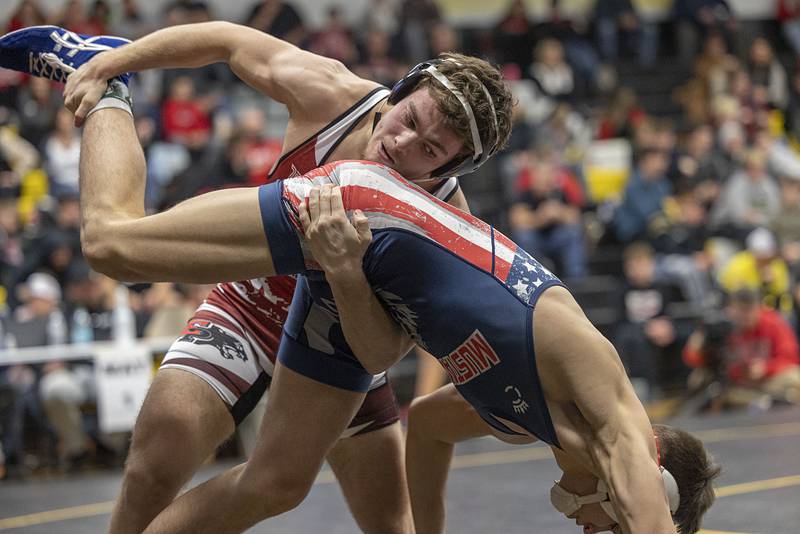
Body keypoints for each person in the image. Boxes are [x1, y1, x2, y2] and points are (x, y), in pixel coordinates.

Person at [0, 23, 512, 534]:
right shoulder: (332, 94)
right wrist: (118, 61)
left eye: (429, 150)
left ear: (452, 168)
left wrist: (346, 272)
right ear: (400, 91)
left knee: (385, 523)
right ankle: (110, 82)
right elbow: (226, 40)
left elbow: (382, 350)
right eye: (409, 119)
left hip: (337, 341)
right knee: (158, 457)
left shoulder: (443, 219)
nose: (401, 143)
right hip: (252, 306)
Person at [406, 386, 720, 534]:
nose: (592, 532)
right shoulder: (568, 395)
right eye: (616, 527)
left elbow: (425, 421)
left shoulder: (529, 419)